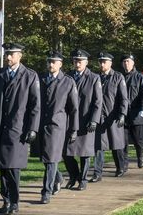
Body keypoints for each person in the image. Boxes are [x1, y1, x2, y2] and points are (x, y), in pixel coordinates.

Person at [0, 42, 40, 214]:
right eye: (7, 54)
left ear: (20, 56)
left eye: (12, 54)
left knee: (13, 167)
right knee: (3, 167)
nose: (8, 57)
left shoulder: (30, 76)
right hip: (0, 129)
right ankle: (5, 201)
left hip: (18, 130)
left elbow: (35, 106)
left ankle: (14, 202)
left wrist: (33, 128)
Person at [34, 51, 78, 204]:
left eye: (54, 62)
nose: (51, 64)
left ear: (60, 64)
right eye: (49, 61)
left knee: (51, 159)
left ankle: (46, 191)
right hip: (40, 125)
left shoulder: (67, 81)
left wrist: (74, 129)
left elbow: (73, 109)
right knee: (45, 158)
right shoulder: (40, 79)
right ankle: (58, 177)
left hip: (57, 127)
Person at [63, 49, 102, 191]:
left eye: (80, 61)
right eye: (75, 61)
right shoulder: (68, 77)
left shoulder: (93, 78)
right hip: (70, 121)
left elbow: (98, 102)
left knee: (85, 153)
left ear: (86, 62)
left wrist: (94, 120)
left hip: (86, 120)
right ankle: (74, 176)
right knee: (66, 152)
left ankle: (83, 179)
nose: (77, 64)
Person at [91, 52, 129, 181]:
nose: (102, 64)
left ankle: (120, 167)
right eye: (100, 62)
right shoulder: (96, 77)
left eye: (104, 62)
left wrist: (122, 114)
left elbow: (124, 98)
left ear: (110, 63)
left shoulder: (118, 77)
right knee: (98, 146)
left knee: (116, 145)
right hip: (99, 117)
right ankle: (97, 173)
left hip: (113, 117)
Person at [121, 53, 143, 168]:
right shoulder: (120, 76)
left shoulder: (140, 77)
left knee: (138, 139)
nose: (126, 63)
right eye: (124, 62)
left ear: (133, 63)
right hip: (123, 113)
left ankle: (140, 156)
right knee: (123, 141)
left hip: (136, 113)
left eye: (128, 61)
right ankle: (124, 162)